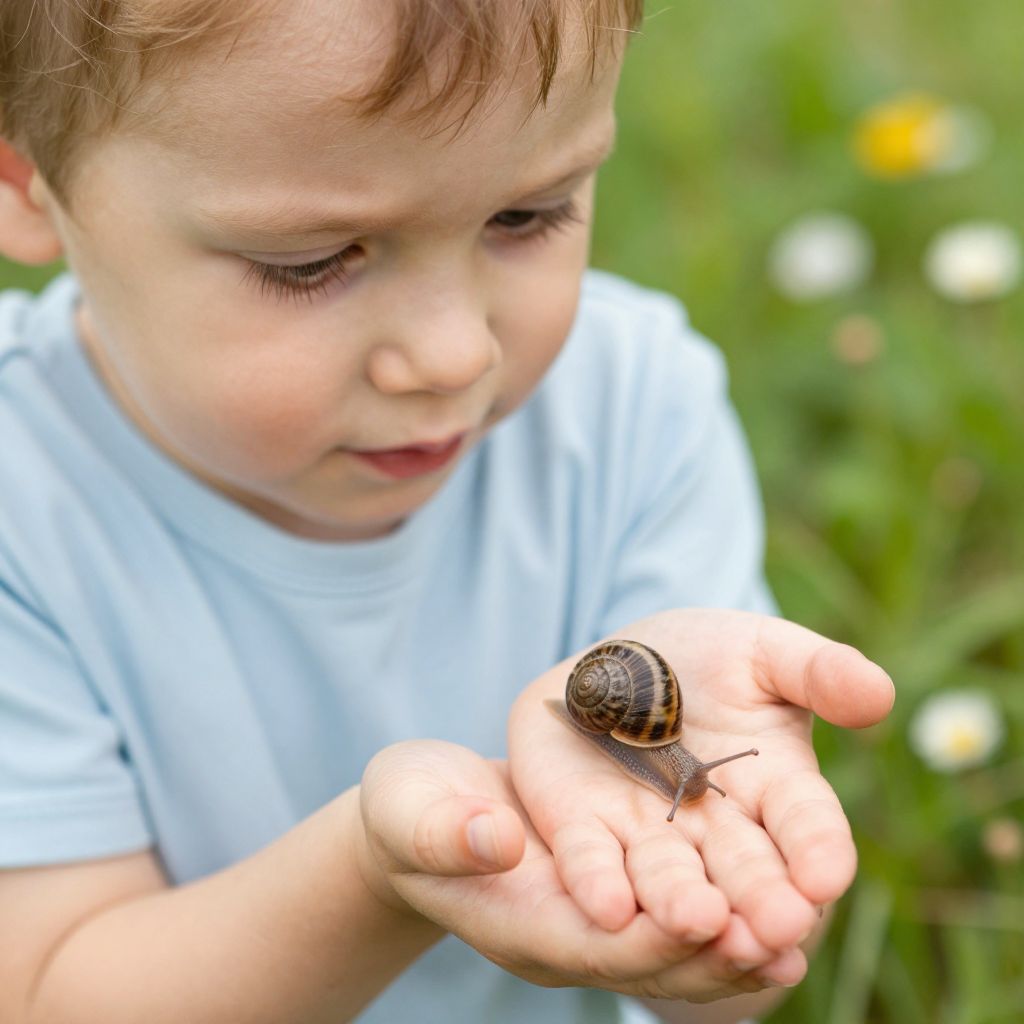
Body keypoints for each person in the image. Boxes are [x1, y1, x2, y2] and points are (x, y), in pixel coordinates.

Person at [0, 2, 895, 1022]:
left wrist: (728, 886)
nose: (453, 355)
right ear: (30, 183)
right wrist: (375, 875)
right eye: (310, 261)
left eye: (529, 215)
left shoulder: (631, 409)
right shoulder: (24, 512)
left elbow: (722, 992)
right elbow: (45, 994)